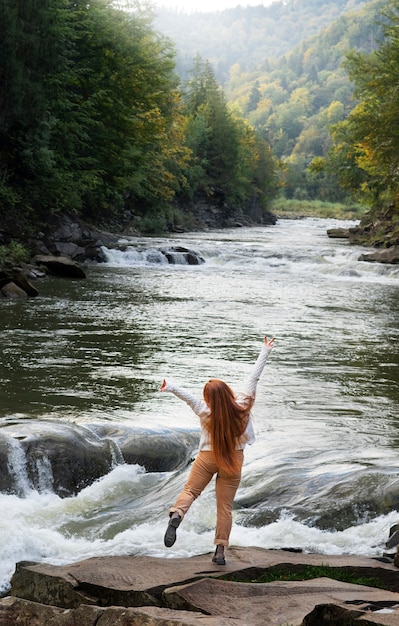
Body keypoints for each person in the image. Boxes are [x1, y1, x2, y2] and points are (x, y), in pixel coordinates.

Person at [160, 336, 275, 565]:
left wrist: (170, 386)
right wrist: (265, 350)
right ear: (228, 392)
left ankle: (177, 515)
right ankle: (220, 550)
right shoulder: (242, 405)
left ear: (209, 398)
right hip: (233, 459)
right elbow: (254, 377)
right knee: (224, 507)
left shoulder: (205, 410)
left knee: (191, 491)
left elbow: (188, 398)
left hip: (207, 457)